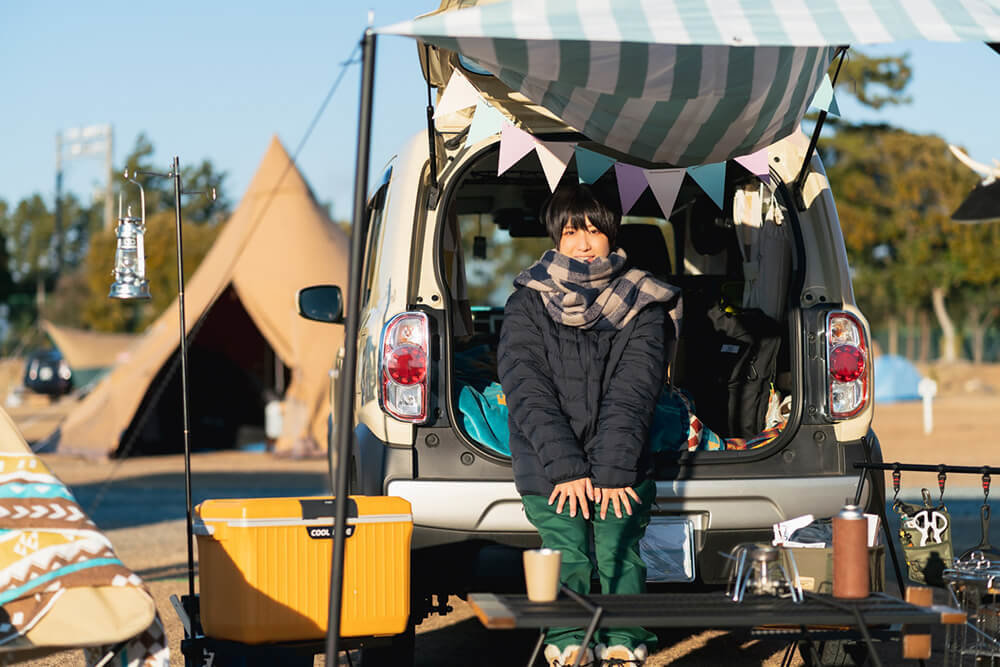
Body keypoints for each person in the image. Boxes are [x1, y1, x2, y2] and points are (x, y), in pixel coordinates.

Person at [497, 183, 681, 667]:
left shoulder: (646, 302)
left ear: (611, 235)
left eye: (595, 231)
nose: (583, 243)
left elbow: (635, 391)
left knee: (619, 549)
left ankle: (624, 644)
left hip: (622, 461)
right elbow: (527, 391)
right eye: (572, 232)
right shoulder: (526, 303)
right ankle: (566, 645)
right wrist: (567, 468)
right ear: (555, 237)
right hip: (547, 462)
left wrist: (611, 471)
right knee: (567, 552)